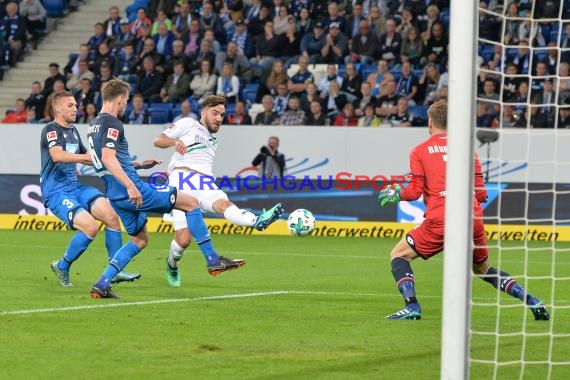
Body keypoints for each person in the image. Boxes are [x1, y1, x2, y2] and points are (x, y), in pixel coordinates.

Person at [86, 82, 272, 298]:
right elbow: (108, 158)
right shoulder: (113, 123)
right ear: (119, 99)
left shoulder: (94, 124)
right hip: (132, 189)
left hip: (115, 193)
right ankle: (212, 259)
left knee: (140, 239)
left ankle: (102, 283)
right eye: (126, 100)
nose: (126, 104)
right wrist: (130, 185)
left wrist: (136, 165)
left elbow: (100, 160)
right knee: (191, 203)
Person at [377, 101, 550, 321]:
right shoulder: (469, 151)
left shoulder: (419, 151)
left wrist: (395, 194)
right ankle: (532, 300)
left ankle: (412, 306)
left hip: (441, 219)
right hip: (472, 218)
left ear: (430, 123)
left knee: (399, 255)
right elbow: (482, 195)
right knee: (482, 269)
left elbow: (413, 192)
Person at [153, 95, 284, 287]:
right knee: (183, 240)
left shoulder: (212, 140)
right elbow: (158, 140)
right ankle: (172, 264)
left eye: (222, 115)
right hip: (182, 180)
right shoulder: (188, 123)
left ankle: (257, 221)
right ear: (203, 112)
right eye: (215, 113)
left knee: (225, 205)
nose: (219, 118)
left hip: (205, 183)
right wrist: (174, 143)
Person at [41, 91, 140, 287]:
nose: (76, 109)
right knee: (91, 227)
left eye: (76, 105)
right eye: (70, 105)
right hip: (56, 192)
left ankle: (116, 269)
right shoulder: (50, 130)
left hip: (75, 187)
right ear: (58, 107)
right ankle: (62, 266)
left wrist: (133, 165)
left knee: (111, 216)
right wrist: (87, 158)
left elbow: (96, 156)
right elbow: (57, 156)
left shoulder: (73, 131)